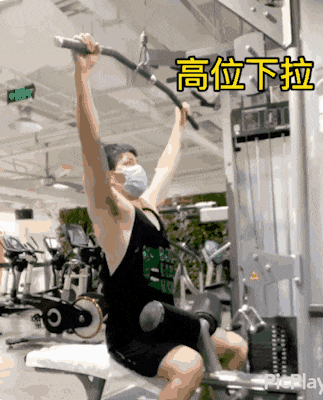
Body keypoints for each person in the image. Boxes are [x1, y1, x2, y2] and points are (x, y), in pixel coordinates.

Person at [73, 32, 248, 400]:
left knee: (236, 346)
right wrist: (82, 76)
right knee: (189, 366)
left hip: (165, 320)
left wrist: (177, 124)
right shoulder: (112, 216)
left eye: (137, 162)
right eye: (128, 163)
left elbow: (167, 165)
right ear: (110, 176)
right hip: (132, 335)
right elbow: (90, 145)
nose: (137, 169)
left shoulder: (148, 206)